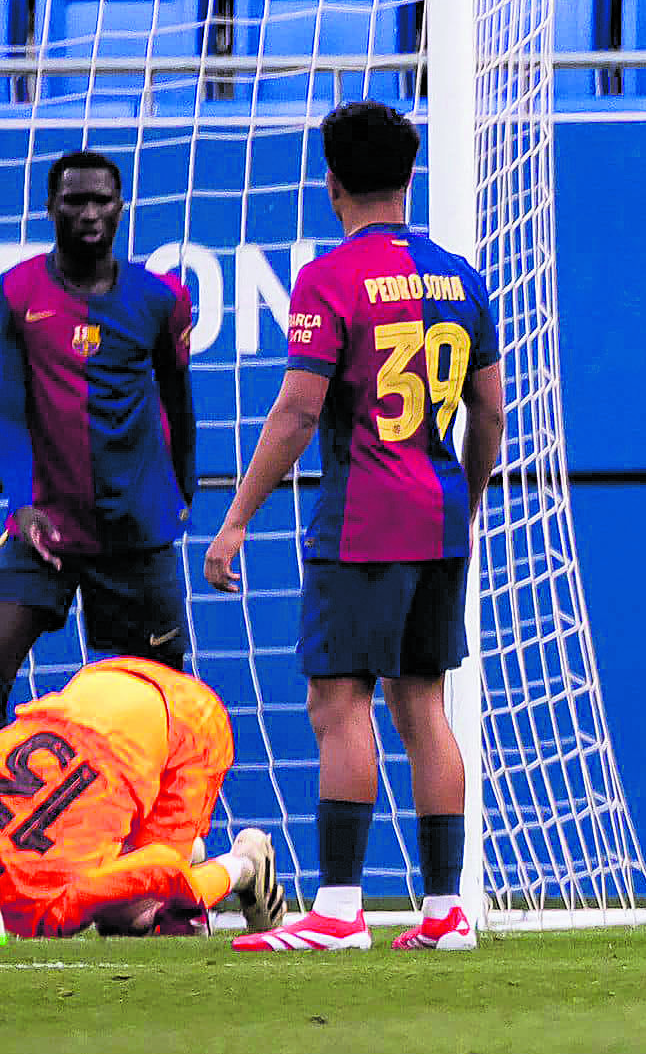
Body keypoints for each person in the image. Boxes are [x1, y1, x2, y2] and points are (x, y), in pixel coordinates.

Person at [203, 101, 505, 954]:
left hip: (363, 517)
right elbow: (490, 411)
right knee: (424, 706)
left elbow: (299, 410)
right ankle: (446, 912)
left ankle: (338, 909)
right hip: (441, 512)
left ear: (330, 184)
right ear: (411, 178)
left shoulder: (329, 279)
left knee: (339, 703)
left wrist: (233, 523)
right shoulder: (460, 275)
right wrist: (466, 501)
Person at [0, 151, 196, 703]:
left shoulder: (161, 298)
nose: (89, 213)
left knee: (162, 703)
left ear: (121, 207)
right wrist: (22, 503)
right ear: (49, 208)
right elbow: (9, 412)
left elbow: (179, 402)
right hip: (46, 525)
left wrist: (182, 492)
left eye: (101, 201)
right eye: (75, 201)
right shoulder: (15, 294)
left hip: (136, 531)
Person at [0, 657, 283, 939]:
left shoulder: (40, 908)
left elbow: (163, 868)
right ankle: (171, 850)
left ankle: (246, 865)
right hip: (102, 685)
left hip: (186, 723)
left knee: (136, 919)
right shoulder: (36, 901)